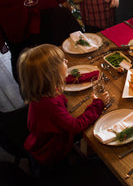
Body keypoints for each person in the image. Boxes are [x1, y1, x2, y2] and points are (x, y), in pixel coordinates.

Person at [18, 44, 109, 177]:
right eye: (62, 61)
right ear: (52, 73)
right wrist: (98, 104)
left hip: (46, 141)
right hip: (50, 155)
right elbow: (76, 127)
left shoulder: (45, 89)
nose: (66, 61)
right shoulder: (49, 105)